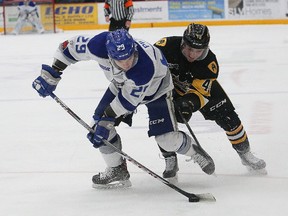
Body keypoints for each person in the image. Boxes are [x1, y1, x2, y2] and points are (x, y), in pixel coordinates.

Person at [32, 29, 215, 189]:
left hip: (157, 90)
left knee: (167, 140)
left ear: (134, 49)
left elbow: (127, 101)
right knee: (97, 129)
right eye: (120, 60)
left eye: (130, 57)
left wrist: (107, 119)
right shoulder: (97, 45)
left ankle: (194, 151)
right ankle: (117, 169)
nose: (126, 64)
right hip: (120, 85)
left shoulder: (144, 67)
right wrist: (52, 74)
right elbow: (67, 49)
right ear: (109, 55)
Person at [153, 23, 267, 180]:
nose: (193, 55)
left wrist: (189, 104)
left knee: (230, 119)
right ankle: (170, 160)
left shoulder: (209, 63)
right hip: (168, 91)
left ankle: (245, 153)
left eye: (198, 51)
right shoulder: (164, 47)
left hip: (201, 92)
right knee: (161, 123)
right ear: (183, 43)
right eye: (190, 49)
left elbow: (200, 93)